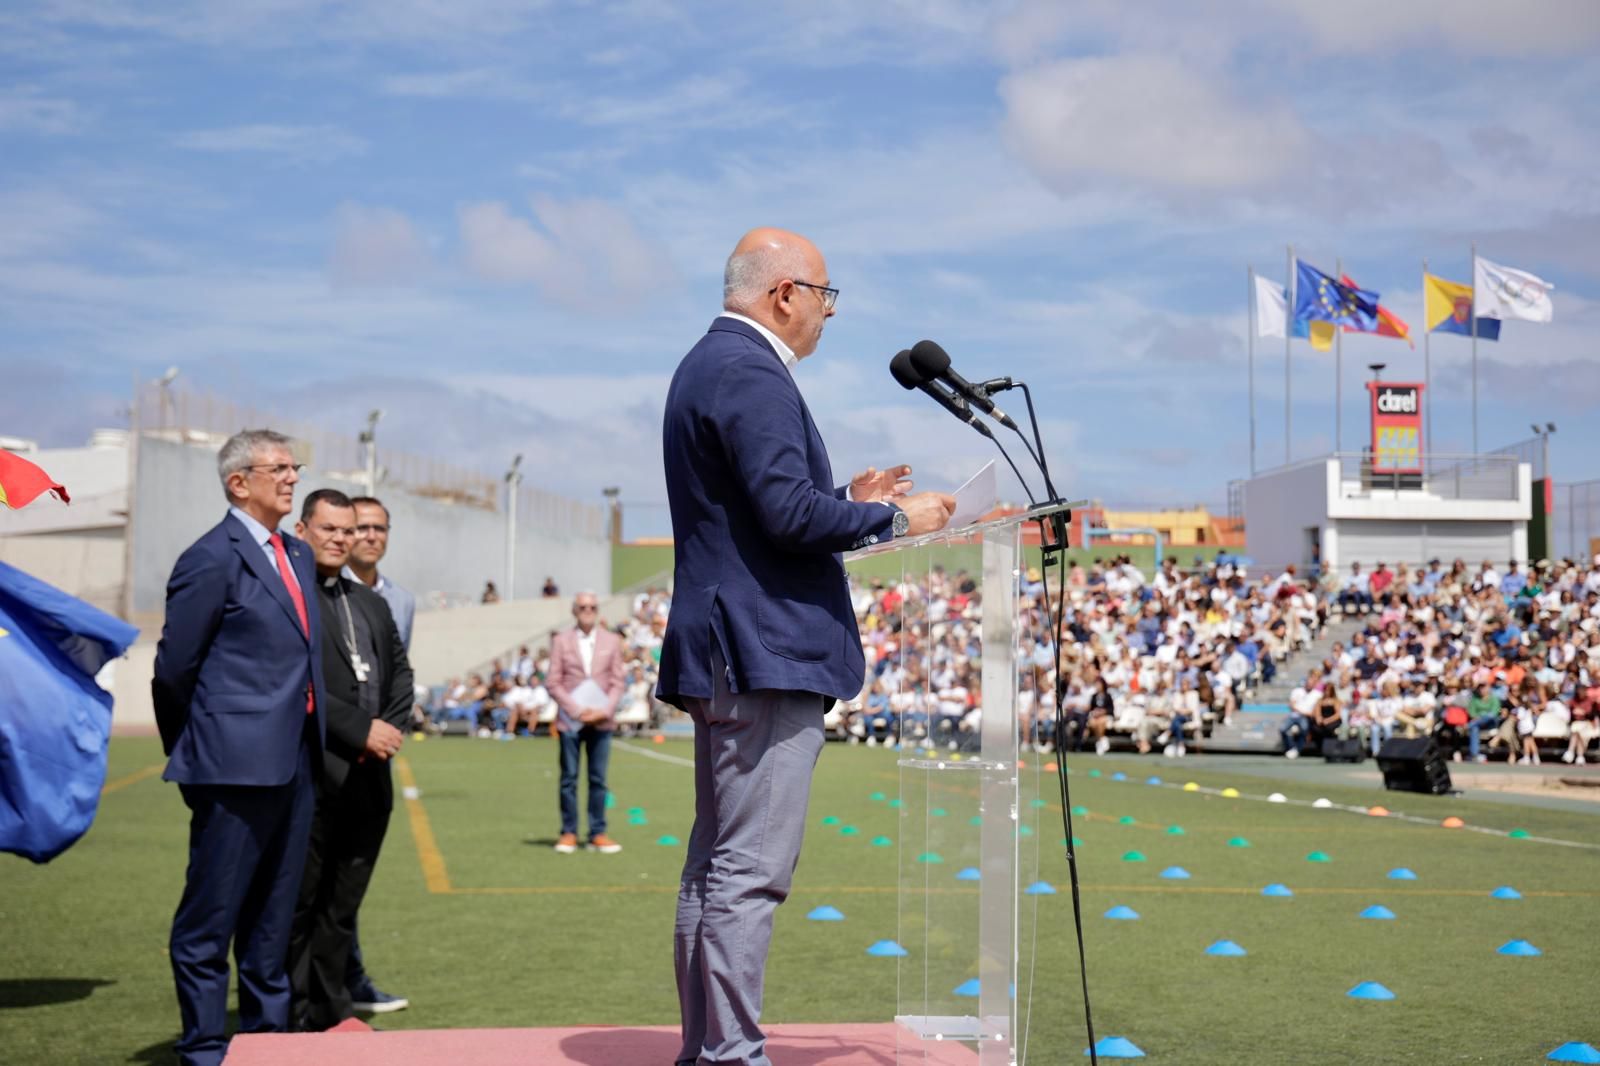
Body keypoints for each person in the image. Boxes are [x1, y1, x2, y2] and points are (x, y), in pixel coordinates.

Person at [658, 227, 955, 1066]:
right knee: (747, 872)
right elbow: (788, 520)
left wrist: (844, 500)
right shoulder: (751, 371)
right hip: (761, 651)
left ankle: (706, 1050)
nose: (829, 313)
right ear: (784, 294)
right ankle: (729, 1056)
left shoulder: (710, 364)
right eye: (826, 295)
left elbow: (762, 513)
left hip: (730, 646)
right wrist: (899, 517)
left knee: (716, 869)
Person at [151, 429, 324, 1066]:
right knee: (210, 916)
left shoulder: (297, 556)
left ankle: (266, 1043)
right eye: (278, 468)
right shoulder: (211, 557)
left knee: (273, 917)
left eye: (293, 466)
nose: (291, 477)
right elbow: (173, 671)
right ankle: (201, 1045)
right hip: (231, 764)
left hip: (297, 761)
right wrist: (197, 751)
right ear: (237, 482)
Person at [287, 489, 414, 1032]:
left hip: (371, 775)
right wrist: (361, 730)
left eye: (349, 531)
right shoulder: (290, 596)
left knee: (343, 902)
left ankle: (332, 1008)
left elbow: (401, 675)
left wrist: (387, 728)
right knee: (300, 900)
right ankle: (291, 1012)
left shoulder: (372, 602)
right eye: (333, 530)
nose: (343, 539)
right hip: (315, 770)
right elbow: (297, 681)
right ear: (303, 531)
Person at [340, 494, 414, 1015]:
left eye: (378, 527)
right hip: (330, 749)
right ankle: (329, 982)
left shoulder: (402, 600)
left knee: (354, 873)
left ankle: (349, 977)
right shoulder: (322, 589)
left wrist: (389, 728)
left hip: (377, 754)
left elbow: (398, 674)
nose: (369, 536)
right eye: (360, 526)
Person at [546, 591, 626, 854]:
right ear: (574, 610)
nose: (587, 610)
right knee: (568, 778)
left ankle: (597, 832)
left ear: (598, 610)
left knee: (598, 779)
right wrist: (577, 709)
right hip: (571, 721)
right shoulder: (561, 641)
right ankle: (568, 832)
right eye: (583, 606)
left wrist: (604, 710)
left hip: (601, 721)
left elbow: (617, 681)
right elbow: (553, 682)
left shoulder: (612, 641)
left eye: (592, 606)